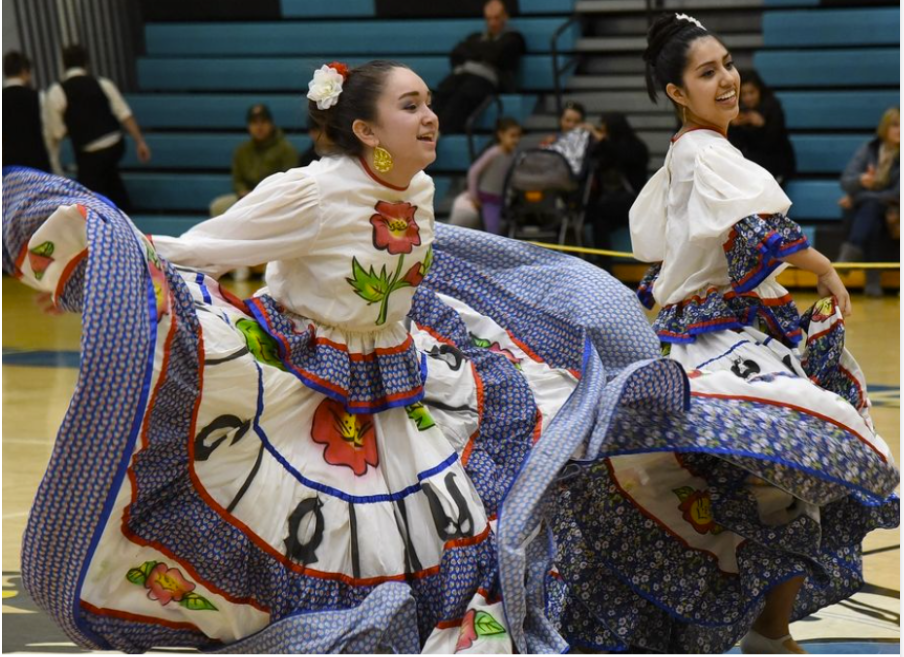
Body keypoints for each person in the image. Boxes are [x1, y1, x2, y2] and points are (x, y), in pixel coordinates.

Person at [3, 59, 898, 654]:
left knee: (456, 516)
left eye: (430, 103)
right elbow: (201, 246)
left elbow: (445, 254)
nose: (432, 115)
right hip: (310, 385)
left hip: (404, 376)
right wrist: (105, 259)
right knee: (304, 531)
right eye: (412, 105)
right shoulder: (310, 191)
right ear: (364, 130)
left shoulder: (423, 185)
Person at [628, 13, 898, 653]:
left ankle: (764, 630)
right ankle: (766, 631)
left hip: (731, 327)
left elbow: (684, 253)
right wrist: (824, 266)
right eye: (706, 72)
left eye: (726, 64)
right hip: (725, 337)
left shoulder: (695, 150)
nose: (726, 79)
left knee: (769, 480)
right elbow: (749, 230)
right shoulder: (704, 149)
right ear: (676, 92)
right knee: (796, 461)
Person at [44, 44, 151, 212]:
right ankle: (126, 211)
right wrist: (140, 142)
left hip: (88, 152)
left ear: (63, 65)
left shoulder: (57, 91)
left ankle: (101, 220)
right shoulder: (102, 83)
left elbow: (57, 132)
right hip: (115, 145)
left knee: (88, 192)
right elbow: (124, 114)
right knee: (111, 178)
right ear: (86, 64)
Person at [432, 0, 525, 134]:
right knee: (443, 90)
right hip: (463, 73)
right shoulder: (475, 37)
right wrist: (484, 52)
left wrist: (474, 52)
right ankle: (429, 128)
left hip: (487, 78)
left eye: (496, 18)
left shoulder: (514, 38)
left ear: (505, 16)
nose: (492, 23)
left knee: (464, 94)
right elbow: (456, 53)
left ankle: (442, 130)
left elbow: (497, 56)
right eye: (489, 19)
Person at [837, 106, 900, 296]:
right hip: (870, 210)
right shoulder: (870, 149)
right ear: (884, 128)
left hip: (895, 209)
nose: (900, 130)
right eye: (895, 125)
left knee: (869, 208)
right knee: (871, 214)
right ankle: (872, 282)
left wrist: (857, 197)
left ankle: (849, 259)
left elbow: (897, 194)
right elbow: (846, 181)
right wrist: (860, 180)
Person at [208, 104, 300, 218]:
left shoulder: (286, 150)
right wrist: (243, 192)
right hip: (247, 199)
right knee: (219, 206)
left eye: (263, 122)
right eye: (254, 123)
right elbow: (237, 181)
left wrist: (265, 195)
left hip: (274, 200)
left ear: (271, 124)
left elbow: (290, 183)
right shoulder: (241, 151)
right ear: (248, 126)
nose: (259, 127)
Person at [587, 111, 650, 252]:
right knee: (590, 215)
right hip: (609, 197)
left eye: (605, 129)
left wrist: (602, 141)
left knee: (599, 215)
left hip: (632, 198)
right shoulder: (605, 147)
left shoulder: (635, 146)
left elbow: (621, 156)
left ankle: (604, 265)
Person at [447, 116, 521, 234]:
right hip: (488, 198)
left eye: (518, 136)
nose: (516, 140)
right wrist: (474, 196)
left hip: (499, 198)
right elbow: (474, 171)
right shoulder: (494, 153)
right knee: (492, 232)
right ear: (501, 135)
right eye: (512, 136)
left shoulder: (513, 156)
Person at [728, 69, 796, 184]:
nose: (748, 98)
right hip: (751, 162)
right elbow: (735, 146)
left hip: (777, 161)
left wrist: (762, 126)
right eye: (744, 94)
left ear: (759, 91)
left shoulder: (773, 107)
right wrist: (733, 127)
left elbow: (774, 143)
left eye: (752, 92)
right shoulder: (736, 110)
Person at [2, 51, 53, 173]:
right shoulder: (38, 96)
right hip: (37, 165)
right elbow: (48, 134)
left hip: (9, 169)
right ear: (24, 71)